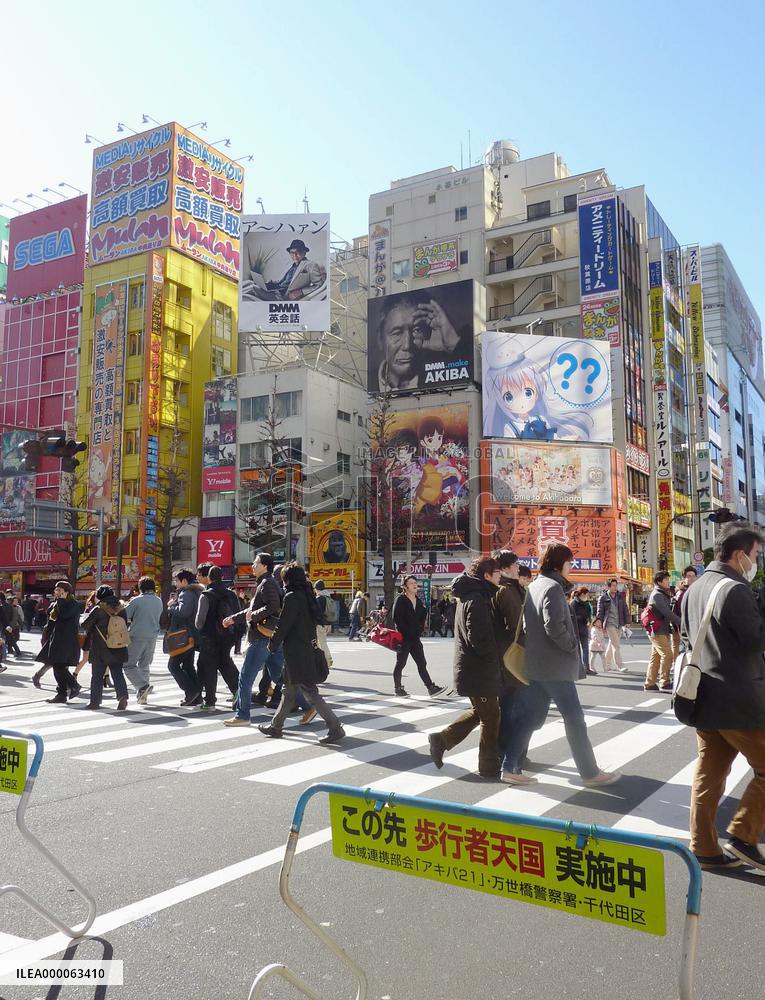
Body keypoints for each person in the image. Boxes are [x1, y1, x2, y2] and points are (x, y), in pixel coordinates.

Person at [501, 544, 621, 787]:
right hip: (554, 667)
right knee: (574, 719)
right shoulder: (554, 588)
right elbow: (553, 625)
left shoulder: (535, 585)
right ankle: (589, 773)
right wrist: (571, 646)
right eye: (570, 561)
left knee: (530, 718)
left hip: (536, 665)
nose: (572, 566)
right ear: (559, 563)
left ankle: (509, 766)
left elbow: (529, 625)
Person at [683, 523, 765, 871]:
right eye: (756, 555)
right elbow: (754, 641)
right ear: (739, 554)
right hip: (739, 703)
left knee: (709, 775)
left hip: (703, 698)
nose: (757, 562)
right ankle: (744, 836)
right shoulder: (735, 589)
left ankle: (703, 846)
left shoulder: (695, 587)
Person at [428, 558, 503, 779]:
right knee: (491, 717)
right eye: (497, 572)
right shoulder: (477, 599)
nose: (500, 576)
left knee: (483, 713)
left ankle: (441, 740)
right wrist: (496, 657)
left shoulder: (472, 595)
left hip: (473, 669)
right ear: (487, 575)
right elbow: (478, 639)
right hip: (477, 670)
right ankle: (489, 766)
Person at [258, 563, 345, 744]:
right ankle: (276, 726)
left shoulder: (292, 597)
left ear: (289, 579)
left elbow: (284, 624)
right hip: (304, 650)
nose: (282, 582)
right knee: (289, 692)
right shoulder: (307, 596)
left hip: (296, 654)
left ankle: (335, 727)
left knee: (309, 692)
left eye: (284, 578)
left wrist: (273, 644)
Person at [223, 552, 285, 726]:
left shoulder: (267, 583)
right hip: (268, 637)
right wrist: (233, 618)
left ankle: (242, 715)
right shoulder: (264, 583)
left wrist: (254, 616)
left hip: (261, 638)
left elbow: (273, 606)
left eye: (256, 563)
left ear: (265, 566)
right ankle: (308, 704)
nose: (252, 565)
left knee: (245, 677)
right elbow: (253, 611)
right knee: (280, 677)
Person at [371, 290, 468, 392]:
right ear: (380, 338)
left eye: (417, 330)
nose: (407, 345)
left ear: (429, 332)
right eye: (397, 333)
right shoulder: (363, 388)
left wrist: (453, 344)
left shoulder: (445, 375)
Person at [491, 550, 532, 777]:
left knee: (511, 708)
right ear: (506, 568)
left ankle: (510, 755)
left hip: (506, 657)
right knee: (512, 709)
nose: (519, 568)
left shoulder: (511, 589)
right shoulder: (507, 591)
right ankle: (508, 757)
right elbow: (515, 627)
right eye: (516, 564)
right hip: (511, 658)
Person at [194, 564, 240, 711]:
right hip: (228, 635)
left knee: (209, 667)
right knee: (225, 663)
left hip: (210, 636)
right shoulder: (231, 594)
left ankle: (210, 702)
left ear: (209, 578)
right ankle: (238, 692)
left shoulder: (206, 595)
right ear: (222, 577)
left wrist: (198, 631)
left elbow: (199, 621)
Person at [392, 576, 444, 697]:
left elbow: (421, 618)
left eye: (415, 582)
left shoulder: (418, 601)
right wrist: (405, 632)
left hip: (415, 639)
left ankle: (431, 688)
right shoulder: (400, 600)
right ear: (405, 586)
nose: (415, 585)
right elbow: (396, 618)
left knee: (422, 663)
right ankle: (398, 688)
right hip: (404, 638)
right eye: (411, 583)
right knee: (401, 664)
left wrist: (419, 629)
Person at [81, 585, 130, 711]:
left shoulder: (98, 609)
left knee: (97, 675)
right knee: (117, 673)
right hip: (118, 646)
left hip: (100, 647)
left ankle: (95, 702)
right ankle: (122, 696)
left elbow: (85, 625)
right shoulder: (121, 608)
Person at [35, 582, 82, 703]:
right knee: (56, 665)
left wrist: (60, 601)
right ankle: (61, 694)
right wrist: (45, 637)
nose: (57, 592)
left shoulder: (74, 604)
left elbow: (65, 616)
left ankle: (73, 685)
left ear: (67, 591)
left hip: (67, 639)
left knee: (59, 665)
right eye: (56, 590)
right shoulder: (55, 604)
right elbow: (50, 622)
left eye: (60, 590)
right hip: (55, 639)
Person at [241, 238, 326, 302]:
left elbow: (318, 284)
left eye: (298, 252)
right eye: (292, 252)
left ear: (304, 252)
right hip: (275, 290)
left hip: (281, 297)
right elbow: (285, 282)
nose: (295, 255)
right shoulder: (293, 266)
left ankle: (235, 299)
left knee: (253, 287)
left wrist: (300, 292)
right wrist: (270, 284)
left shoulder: (311, 265)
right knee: (250, 282)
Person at [167, 569, 204, 706]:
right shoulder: (196, 591)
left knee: (173, 665)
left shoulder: (186, 593)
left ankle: (191, 692)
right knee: (188, 666)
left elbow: (183, 612)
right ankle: (196, 695)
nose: (175, 583)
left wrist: (171, 607)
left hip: (184, 635)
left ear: (184, 581)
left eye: (176, 580)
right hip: (193, 634)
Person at [124, 576, 163, 705]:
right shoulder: (159, 601)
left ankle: (142, 686)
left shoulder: (137, 601)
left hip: (137, 636)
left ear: (141, 588)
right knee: (144, 665)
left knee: (128, 665)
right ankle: (142, 696)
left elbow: (126, 615)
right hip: (153, 636)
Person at [644, 571, 681, 692]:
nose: (668, 581)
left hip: (660, 629)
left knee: (656, 657)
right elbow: (668, 613)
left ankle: (649, 683)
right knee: (668, 655)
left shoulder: (663, 593)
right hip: (657, 630)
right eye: (666, 579)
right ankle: (664, 681)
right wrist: (682, 622)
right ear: (659, 581)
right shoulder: (657, 595)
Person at [596, 578, 629, 674]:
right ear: (608, 587)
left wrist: (627, 622)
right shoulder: (603, 598)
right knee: (616, 645)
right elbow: (600, 612)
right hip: (609, 623)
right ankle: (620, 665)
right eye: (613, 585)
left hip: (619, 623)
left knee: (612, 644)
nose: (615, 587)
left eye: (616, 585)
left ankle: (606, 664)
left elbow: (625, 609)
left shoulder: (620, 597)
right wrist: (599, 623)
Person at [671, 566, 698, 660]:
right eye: (688, 576)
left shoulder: (693, 590)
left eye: (693, 576)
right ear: (684, 578)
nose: (691, 578)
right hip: (684, 627)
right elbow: (680, 612)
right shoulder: (682, 593)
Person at [570, 586, 594, 675]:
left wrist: (589, 620)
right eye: (587, 595)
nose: (587, 597)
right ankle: (578, 668)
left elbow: (588, 614)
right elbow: (570, 617)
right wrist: (580, 618)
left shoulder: (586, 604)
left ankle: (586, 668)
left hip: (584, 628)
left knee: (585, 648)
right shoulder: (573, 603)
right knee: (577, 650)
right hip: (575, 628)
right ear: (582, 594)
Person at [313, 580, 334, 667]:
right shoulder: (328, 597)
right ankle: (321, 661)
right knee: (320, 642)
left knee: (322, 643)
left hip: (320, 624)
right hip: (328, 623)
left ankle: (328, 660)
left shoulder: (320, 598)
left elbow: (317, 612)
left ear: (317, 588)